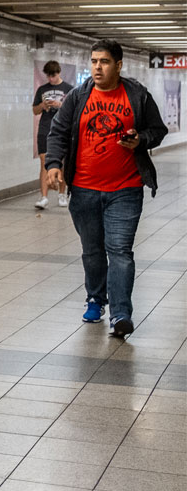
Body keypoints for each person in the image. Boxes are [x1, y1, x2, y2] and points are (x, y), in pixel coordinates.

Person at [46, 40, 166, 339]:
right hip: (84, 189)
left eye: (104, 62)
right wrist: (53, 164)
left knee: (120, 251)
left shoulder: (137, 95)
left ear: (118, 65)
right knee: (93, 251)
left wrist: (140, 140)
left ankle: (121, 314)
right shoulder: (79, 96)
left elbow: (157, 130)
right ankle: (96, 300)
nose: (97, 67)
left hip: (126, 188)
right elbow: (58, 131)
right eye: (94, 61)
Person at [32, 61, 73, 209]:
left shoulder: (69, 89)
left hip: (62, 130)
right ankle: (43, 196)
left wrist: (60, 105)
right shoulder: (42, 90)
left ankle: (62, 194)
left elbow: (74, 111)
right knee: (44, 163)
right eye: (48, 76)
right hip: (45, 129)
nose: (51, 79)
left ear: (59, 72)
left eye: (53, 76)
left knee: (61, 162)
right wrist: (43, 106)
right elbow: (35, 110)